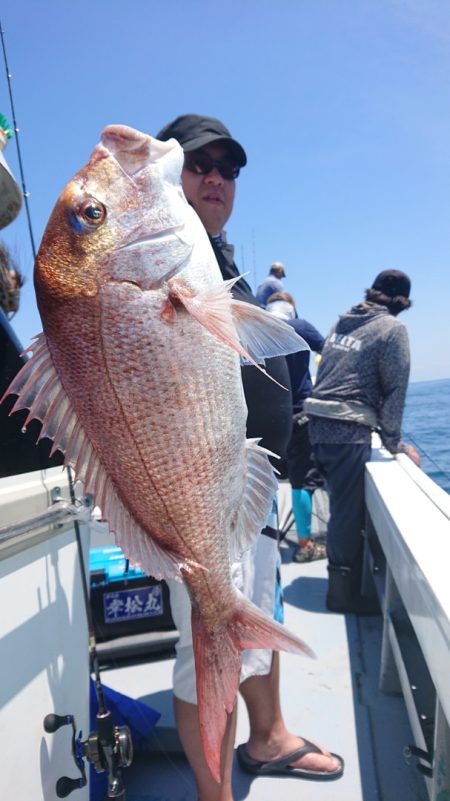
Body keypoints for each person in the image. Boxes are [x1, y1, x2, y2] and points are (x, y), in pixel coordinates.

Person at [156, 114, 343, 800]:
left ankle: (266, 735)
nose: (215, 178)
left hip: (251, 478)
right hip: (193, 487)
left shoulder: (218, 256)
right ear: (166, 176)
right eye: (199, 164)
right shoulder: (162, 259)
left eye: (227, 169)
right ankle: (216, 795)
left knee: (256, 614)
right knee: (208, 645)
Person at [304, 270, 421, 615]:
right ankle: (341, 597)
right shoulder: (392, 329)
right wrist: (394, 442)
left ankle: (348, 583)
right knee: (345, 513)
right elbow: (395, 389)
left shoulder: (344, 321)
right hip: (346, 430)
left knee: (342, 506)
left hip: (317, 425)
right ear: (401, 303)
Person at [266, 290, 326, 563]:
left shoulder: (255, 327)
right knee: (302, 481)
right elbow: (326, 350)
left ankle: (265, 542)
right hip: (300, 415)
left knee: (267, 481)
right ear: (291, 308)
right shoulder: (300, 327)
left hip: (266, 418)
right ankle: (304, 543)